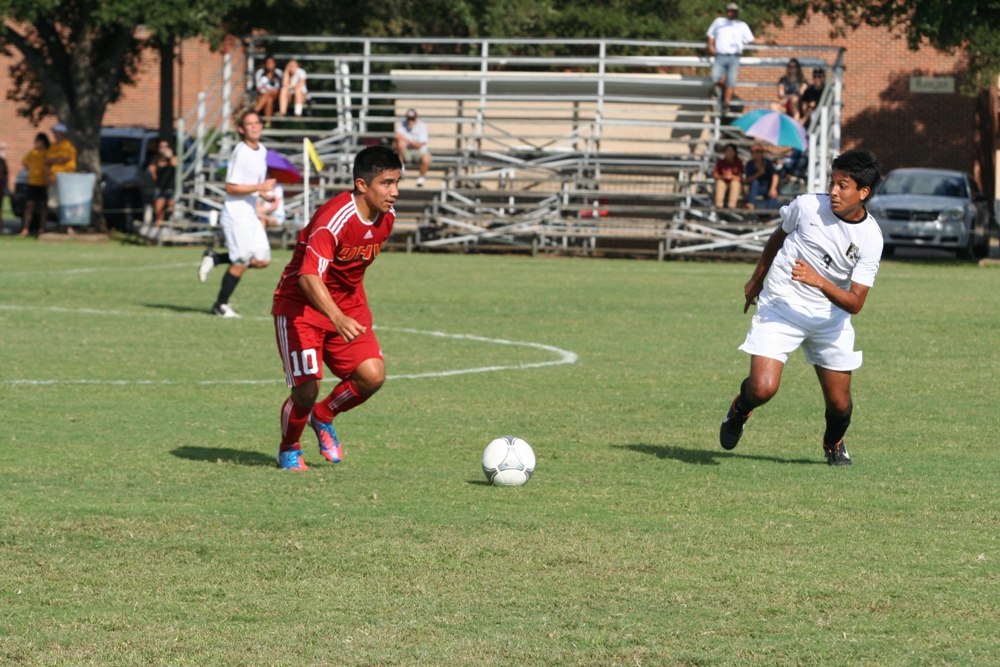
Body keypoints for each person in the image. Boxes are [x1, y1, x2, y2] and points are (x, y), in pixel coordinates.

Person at [719, 149, 883, 466]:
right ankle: (740, 409)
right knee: (763, 389)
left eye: (843, 185)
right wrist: (757, 279)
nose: (834, 191)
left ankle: (833, 442)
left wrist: (819, 280)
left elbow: (856, 303)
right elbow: (779, 235)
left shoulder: (871, 238)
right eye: (833, 183)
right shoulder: (808, 206)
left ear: (863, 193)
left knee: (839, 403)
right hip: (782, 305)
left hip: (829, 318)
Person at [270, 145, 401, 471]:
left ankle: (324, 415)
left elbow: (351, 270)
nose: (394, 192)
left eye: (397, 182)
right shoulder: (333, 220)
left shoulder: (387, 217)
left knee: (372, 375)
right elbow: (308, 276)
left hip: (347, 305)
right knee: (306, 390)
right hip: (301, 307)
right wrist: (336, 317)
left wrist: (345, 311)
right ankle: (289, 447)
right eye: (386, 183)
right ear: (361, 184)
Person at [197, 110, 275, 318]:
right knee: (241, 261)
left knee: (262, 259)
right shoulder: (240, 152)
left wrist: (264, 196)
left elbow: (251, 185)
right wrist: (261, 185)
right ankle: (220, 305)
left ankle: (215, 257)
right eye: (249, 124)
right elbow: (231, 188)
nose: (254, 126)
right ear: (241, 129)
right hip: (236, 214)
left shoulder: (262, 151)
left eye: (257, 122)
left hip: (250, 212)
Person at [706, 3, 755, 113]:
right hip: (721, 55)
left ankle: (726, 104)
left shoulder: (742, 25)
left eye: (733, 11)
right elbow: (711, 35)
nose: (731, 13)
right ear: (726, 11)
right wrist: (711, 46)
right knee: (715, 77)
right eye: (729, 10)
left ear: (737, 12)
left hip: (734, 57)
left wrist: (767, 41)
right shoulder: (719, 22)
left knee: (731, 81)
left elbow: (751, 39)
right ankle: (726, 89)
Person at [46, 122, 77, 232]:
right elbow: (47, 162)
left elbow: (64, 159)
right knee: (54, 204)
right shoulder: (53, 146)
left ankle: (69, 226)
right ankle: (61, 224)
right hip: (54, 178)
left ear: (61, 133)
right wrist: (47, 177)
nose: (54, 134)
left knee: (66, 202)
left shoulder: (67, 145)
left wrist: (52, 160)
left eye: (56, 132)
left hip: (66, 178)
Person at [21, 133, 50, 236]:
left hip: (43, 183)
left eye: (38, 141)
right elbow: (24, 161)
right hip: (32, 183)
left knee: (43, 206)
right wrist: (30, 168)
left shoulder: (47, 153)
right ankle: (25, 228)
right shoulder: (33, 152)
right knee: (29, 206)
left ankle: (42, 228)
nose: (36, 143)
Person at [394, 108, 431, 187]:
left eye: (412, 119)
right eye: (409, 119)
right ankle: (401, 169)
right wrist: (400, 140)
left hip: (419, 152)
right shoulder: (403, 124)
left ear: (416, 118)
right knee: (399, 143)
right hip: (406, 151)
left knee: (426, 158)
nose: (410, 121)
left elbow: (419, 146)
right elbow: (397, 137)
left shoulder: (422, 126)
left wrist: (405, 139)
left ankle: (421, 179)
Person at [148, 139, 177, 226]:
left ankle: (174, 229)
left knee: (172, 210)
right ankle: (157, 231)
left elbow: (176, 165)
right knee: (158, 211)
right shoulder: (156, 161)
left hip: (171, 188)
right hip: (160, 188)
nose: (164, 149)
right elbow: (155, 179)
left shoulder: (173, 158)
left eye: (165, 147)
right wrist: (152, 172)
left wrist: (170, 156)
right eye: (161, 147)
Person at [743, 144, 779, 210]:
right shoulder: (750, 164)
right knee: (755, 182)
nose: (756, 154)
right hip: (756, 188)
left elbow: (775, 175)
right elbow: (747, 180)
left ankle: (768, 215)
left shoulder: (767, 162)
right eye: (753, 152)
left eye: (758, 152)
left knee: (773, 193)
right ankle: (751, 203)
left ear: (761, 153)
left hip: (768, 186)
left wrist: (773, 188)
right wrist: (759, 173)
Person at [254, 56, 282, 127]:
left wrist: (267, 89)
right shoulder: (260, 73)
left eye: (271, 63)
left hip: (276, 94)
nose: (270, 64)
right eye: (268, 63)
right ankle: (268, 123)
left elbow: (279, 87)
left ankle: (254, 112)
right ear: (265, 64)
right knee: (269, 99)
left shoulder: (278, 73)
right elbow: (259, 88)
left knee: (269, 92)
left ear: (275, 64)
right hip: (263, 95)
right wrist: (267, 90)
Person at [713, 143, 743, 209]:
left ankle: (731, 205)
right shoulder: (720, 162)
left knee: (735, 183)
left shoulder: (738, 162)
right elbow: (715, 175)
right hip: (724, 183)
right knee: (720, 182)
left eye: (731, 151)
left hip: (735, 184)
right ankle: (719, 205)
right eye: (728, 151)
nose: (729, 153)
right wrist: (723, 177)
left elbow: (740, 178)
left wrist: (731, 176)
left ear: (735, 153)